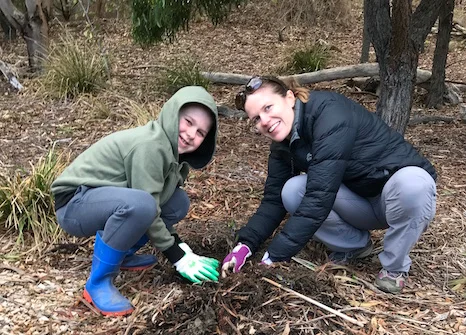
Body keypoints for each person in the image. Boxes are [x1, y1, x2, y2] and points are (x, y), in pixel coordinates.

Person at [222, 76, 437, 294]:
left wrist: (274, 256)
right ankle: (354, 246)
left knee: (414, 184)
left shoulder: (330, 114)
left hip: (395, 198)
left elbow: (319, 197)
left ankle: (394, 268)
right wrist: (245, 245)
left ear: (289, 97)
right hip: (359, 203)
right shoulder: (284, 143)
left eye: (268, 108)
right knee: (292, 190)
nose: (265, 121)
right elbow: (274, 199)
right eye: (256, 118)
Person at [52, 86, 220, 316]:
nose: (191, 134)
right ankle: (98, 283)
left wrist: (182, 247)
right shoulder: (149, 145)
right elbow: (148, 205)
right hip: (75, 203)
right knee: (141, 205)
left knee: (177, 201)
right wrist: (177, 256)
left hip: (102, 199)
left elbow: (159, 206)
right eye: (188, 122)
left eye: (200, 132)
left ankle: (122, 254)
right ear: (172, 114)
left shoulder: (175, 160)